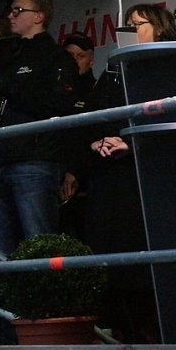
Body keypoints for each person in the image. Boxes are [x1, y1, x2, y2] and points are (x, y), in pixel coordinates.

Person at [78, 4, 176, 342]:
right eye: (128, 24)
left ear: (159, 28)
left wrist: (132, 144)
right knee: (108, 253)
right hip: (110, 176)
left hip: (150, 177)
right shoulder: (114, 69)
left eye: (139, 24)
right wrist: (97, 141)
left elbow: (174, 119)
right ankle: (116, 324)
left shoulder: (170, 64)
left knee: (144, 259)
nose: (131, 30)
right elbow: (92, 116)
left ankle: (151, 329)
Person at [0, 0, 79, 256]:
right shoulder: (11, 57)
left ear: (39, 17)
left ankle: (43, 285)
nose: (10, 16)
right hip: (0, 160)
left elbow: (57, 104)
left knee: (38, 243)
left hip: (34, 161)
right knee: (5, 248)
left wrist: (10, 87)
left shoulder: (56, 58)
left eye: (18, 10)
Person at [59, 32, 97, 238]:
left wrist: (75, 172)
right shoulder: (53, 90)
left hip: (83, 183)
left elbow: (90, 136)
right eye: (69, 55)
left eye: (80, 56)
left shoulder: (97, 91)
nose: (74, 61)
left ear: (91, 61)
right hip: (53, 173)